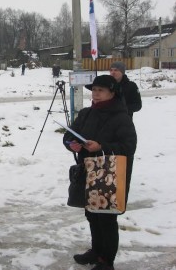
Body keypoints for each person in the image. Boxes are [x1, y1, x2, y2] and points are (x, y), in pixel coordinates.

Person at [63, 75, 137, 270]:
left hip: (110, 174)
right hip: (88, 171)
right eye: (94, 90)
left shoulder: (121, 116)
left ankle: (107, 261)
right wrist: (72, 144)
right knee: (92, 214)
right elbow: (69, 134)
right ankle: (96, 251)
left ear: (112, 93)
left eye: (101, 90)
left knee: (107, 218)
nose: (96, 93)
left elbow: (128, 147)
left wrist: (101, 147)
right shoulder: (87, 113)